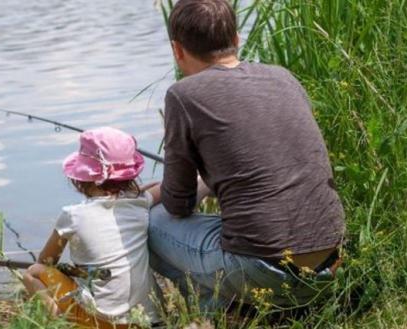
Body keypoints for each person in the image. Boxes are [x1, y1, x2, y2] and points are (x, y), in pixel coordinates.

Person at [144, 0, 346, 310]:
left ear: (177, 50)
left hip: (266, 272)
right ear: (236, 39)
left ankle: (220, 309)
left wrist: (182, 188)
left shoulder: (183, 95)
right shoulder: (283, 77)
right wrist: (211, 181)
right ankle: (240, 311)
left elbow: (177, 204)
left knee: (149, 223)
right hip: (330, 264)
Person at [23, 127, 161, 327]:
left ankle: (60, 321)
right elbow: (163, 186)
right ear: (130, 176)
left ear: (81, 178)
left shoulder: (72, 216)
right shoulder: (140, 203)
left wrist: (71, 270)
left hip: (101, 322)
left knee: (32, 272)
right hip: (148, 320)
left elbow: (46, 261)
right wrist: (138, 193)